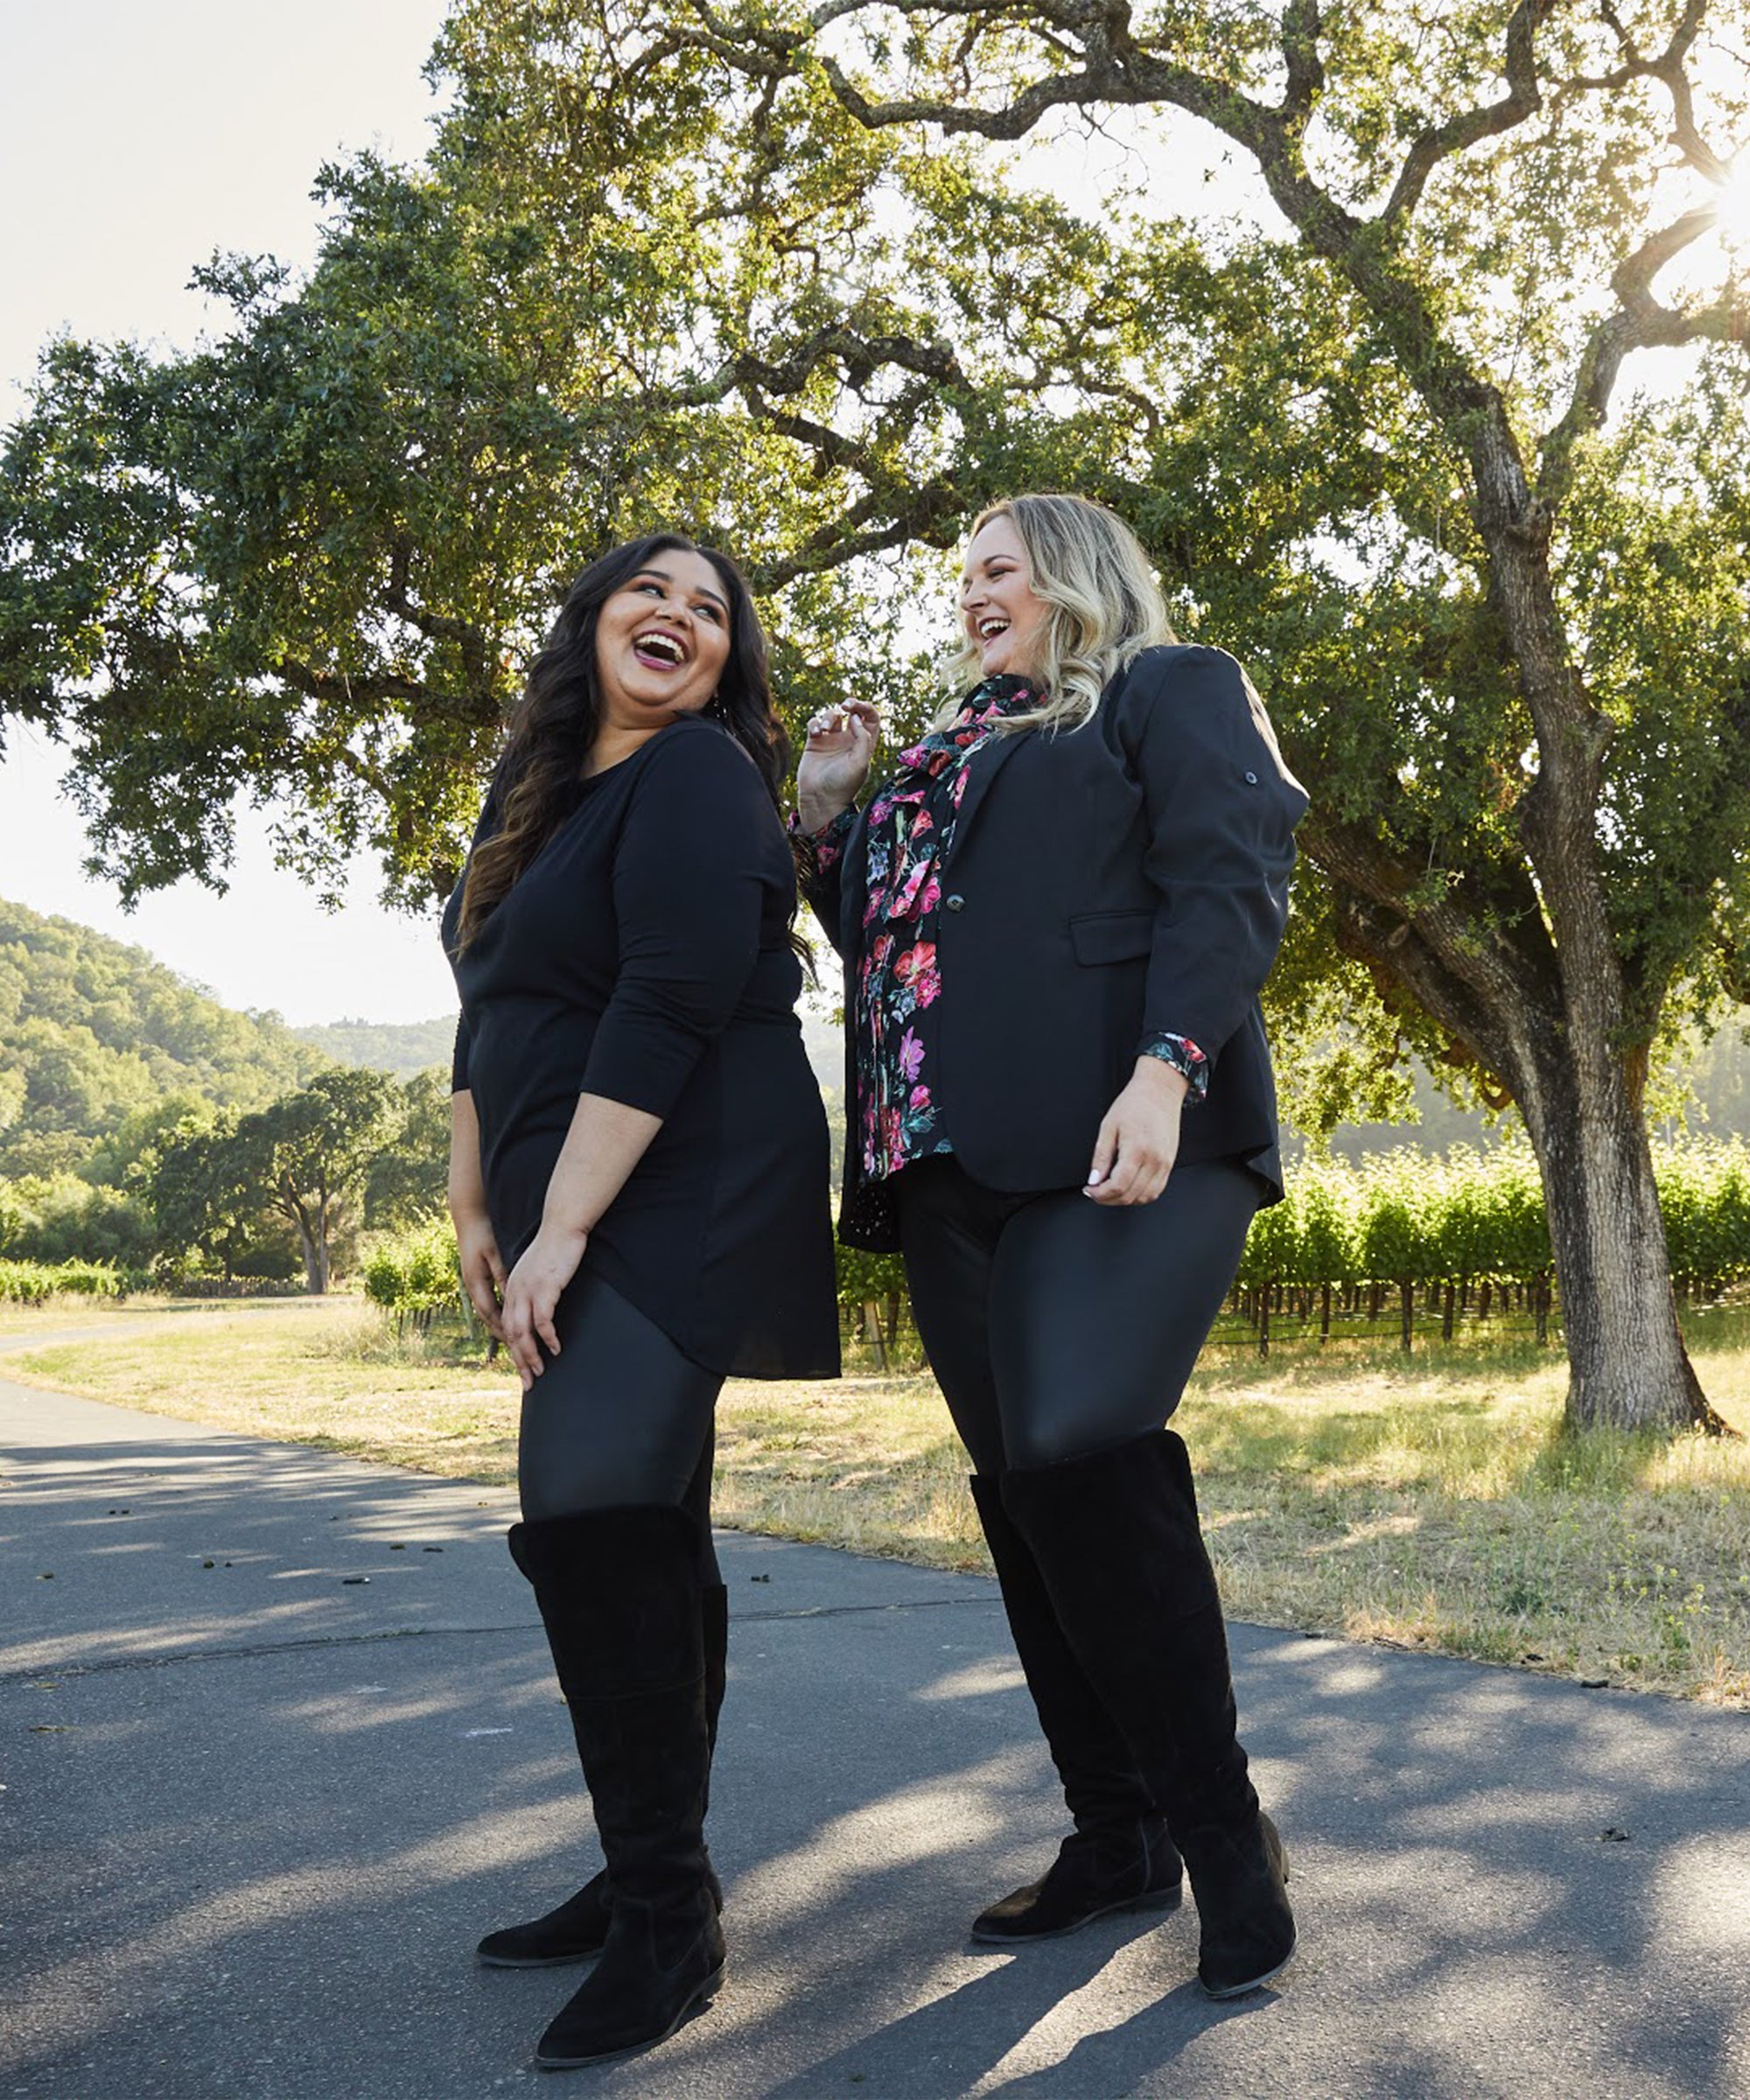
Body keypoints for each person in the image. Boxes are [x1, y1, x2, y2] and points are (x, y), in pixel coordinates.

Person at [793, 494, 1307, 1999]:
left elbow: (1232, 873)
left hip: (1130, 1132)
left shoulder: (1166, 688)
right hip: (943, 1164)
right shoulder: (944, 755)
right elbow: (896, 948)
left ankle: (1224, 1836)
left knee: (1082, 1450)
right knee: (1025, 1496)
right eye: (962, 582)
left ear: (1076, 579)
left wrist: (1168, 1062)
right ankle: (1117, 1833)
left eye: (997, 572)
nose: (972, 597)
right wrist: (832, 812)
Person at [443, 533, 838, 2068]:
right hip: (563, 1180)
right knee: (649, 1519)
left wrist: (562, 1235)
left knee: (592, 1495)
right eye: (647, 592)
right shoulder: (530, 801)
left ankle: (672, 1916)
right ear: (592, 620)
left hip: (688, 1175)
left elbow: (670, 1005)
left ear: (729, 659)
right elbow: (482, 1010)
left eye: (710, 610)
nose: (675, 616)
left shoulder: (695, 782)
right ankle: (644, 1870)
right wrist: (479, 1202)